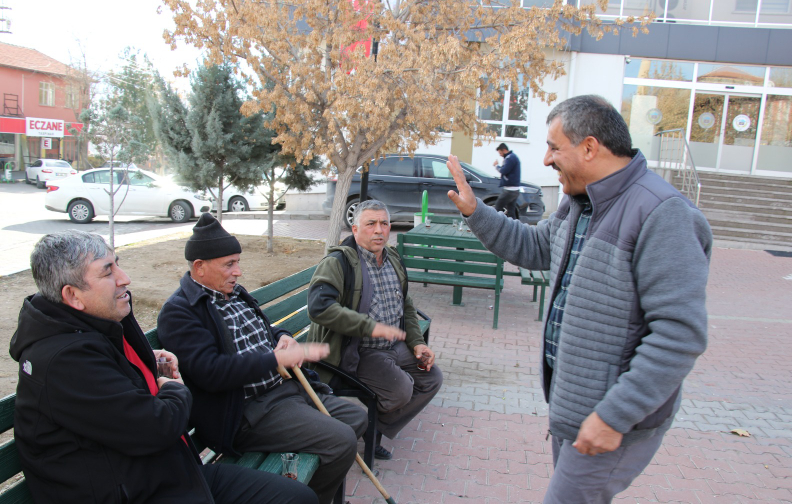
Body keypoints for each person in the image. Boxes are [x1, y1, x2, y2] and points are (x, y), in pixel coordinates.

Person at [446, 95, 712, 503]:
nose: (547, 160)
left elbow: (679, 335)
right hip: (576, 408)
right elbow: (536, 249)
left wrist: (613, 416)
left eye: (554, 147)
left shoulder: (663, 213)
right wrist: (475, 211)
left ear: (589, 148)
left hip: (612, 419)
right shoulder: (579, 202)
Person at [10, 230, 316, 504]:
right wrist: (174, 387)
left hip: (166, 474)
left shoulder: (96, 322)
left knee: (297, 497)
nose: (124, 277)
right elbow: (158, 426)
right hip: (133, 491)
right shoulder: (64, 360)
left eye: (117, 263)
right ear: (73, 295)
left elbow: (113, 394)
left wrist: (141, 364)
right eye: (107, 272)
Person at [157, 213, 367, 504]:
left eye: (238, 262)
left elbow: (263, 329)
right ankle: (308, 498)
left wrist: (282, 336)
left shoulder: (235, 293)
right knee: (341, 440)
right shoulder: (181, 312)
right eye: (229, 264)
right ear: (199, 267)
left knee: (357, 416)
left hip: (285, 392)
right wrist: (274, 359)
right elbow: (212, 372)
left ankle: (303, 482)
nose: (238, 272)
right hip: (249, 413)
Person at [307, 199, 443, 460]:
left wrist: (417, 344)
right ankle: (366, 430)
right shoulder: (338, 262)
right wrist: (369, 327)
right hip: (356, 350)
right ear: (355, 230)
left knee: (431, 379)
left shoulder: (392, 258)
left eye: (384, 223)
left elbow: (406, 304)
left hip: (394, 346)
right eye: (371, 224)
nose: (379, 230)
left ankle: (371, 429)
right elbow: (319, 308)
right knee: (400, 390)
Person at [492, 142, 521, 219]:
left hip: (509, 190)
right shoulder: (513, 157)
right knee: (511, 211)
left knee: (498, 206)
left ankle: (492, 225)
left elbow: (504, 170)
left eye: (500, 153)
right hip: (514, 190)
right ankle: (515, 228)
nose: (500, 155)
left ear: (504, 150)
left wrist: (496, 166)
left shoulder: (510, 158)